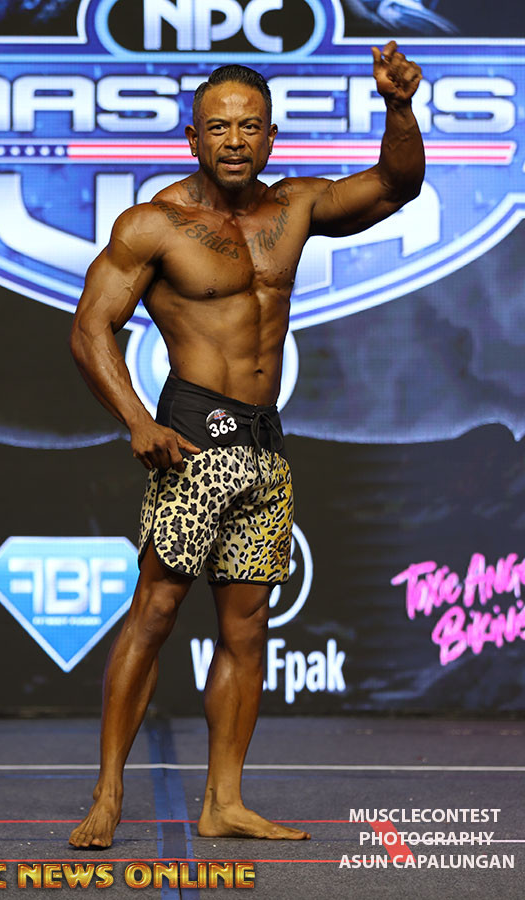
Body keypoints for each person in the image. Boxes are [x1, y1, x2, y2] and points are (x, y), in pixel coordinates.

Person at [68, 41, 424, 849]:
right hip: (192, 446)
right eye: (219, 127)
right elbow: (91, 328)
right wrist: (138, 421)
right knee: (156, 611)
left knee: (247, 630)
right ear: (192, 138)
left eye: (250, 126)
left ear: (271, 137)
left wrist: (400, 109)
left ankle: (223, 802)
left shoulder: (292, 208)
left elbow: (396, 185)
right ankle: (108, 794)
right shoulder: (154, 225)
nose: (235, 140)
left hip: (266, 450)